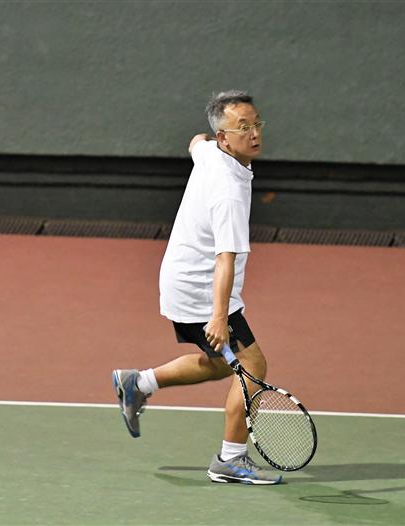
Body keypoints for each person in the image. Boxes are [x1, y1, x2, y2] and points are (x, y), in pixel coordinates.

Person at [112, 90, 281, 485]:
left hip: (181, 279)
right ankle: (230, 459)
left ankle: (138, 383)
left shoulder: (210, 152)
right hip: (201, 290)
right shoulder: (229, 192)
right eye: (243, 127)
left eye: (256, 123)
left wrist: (203, 141)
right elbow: (225, 259)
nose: (254, 133)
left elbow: (196, 142)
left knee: (221, 363)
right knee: (252, 366)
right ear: (225, 137)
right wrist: (219, 316)